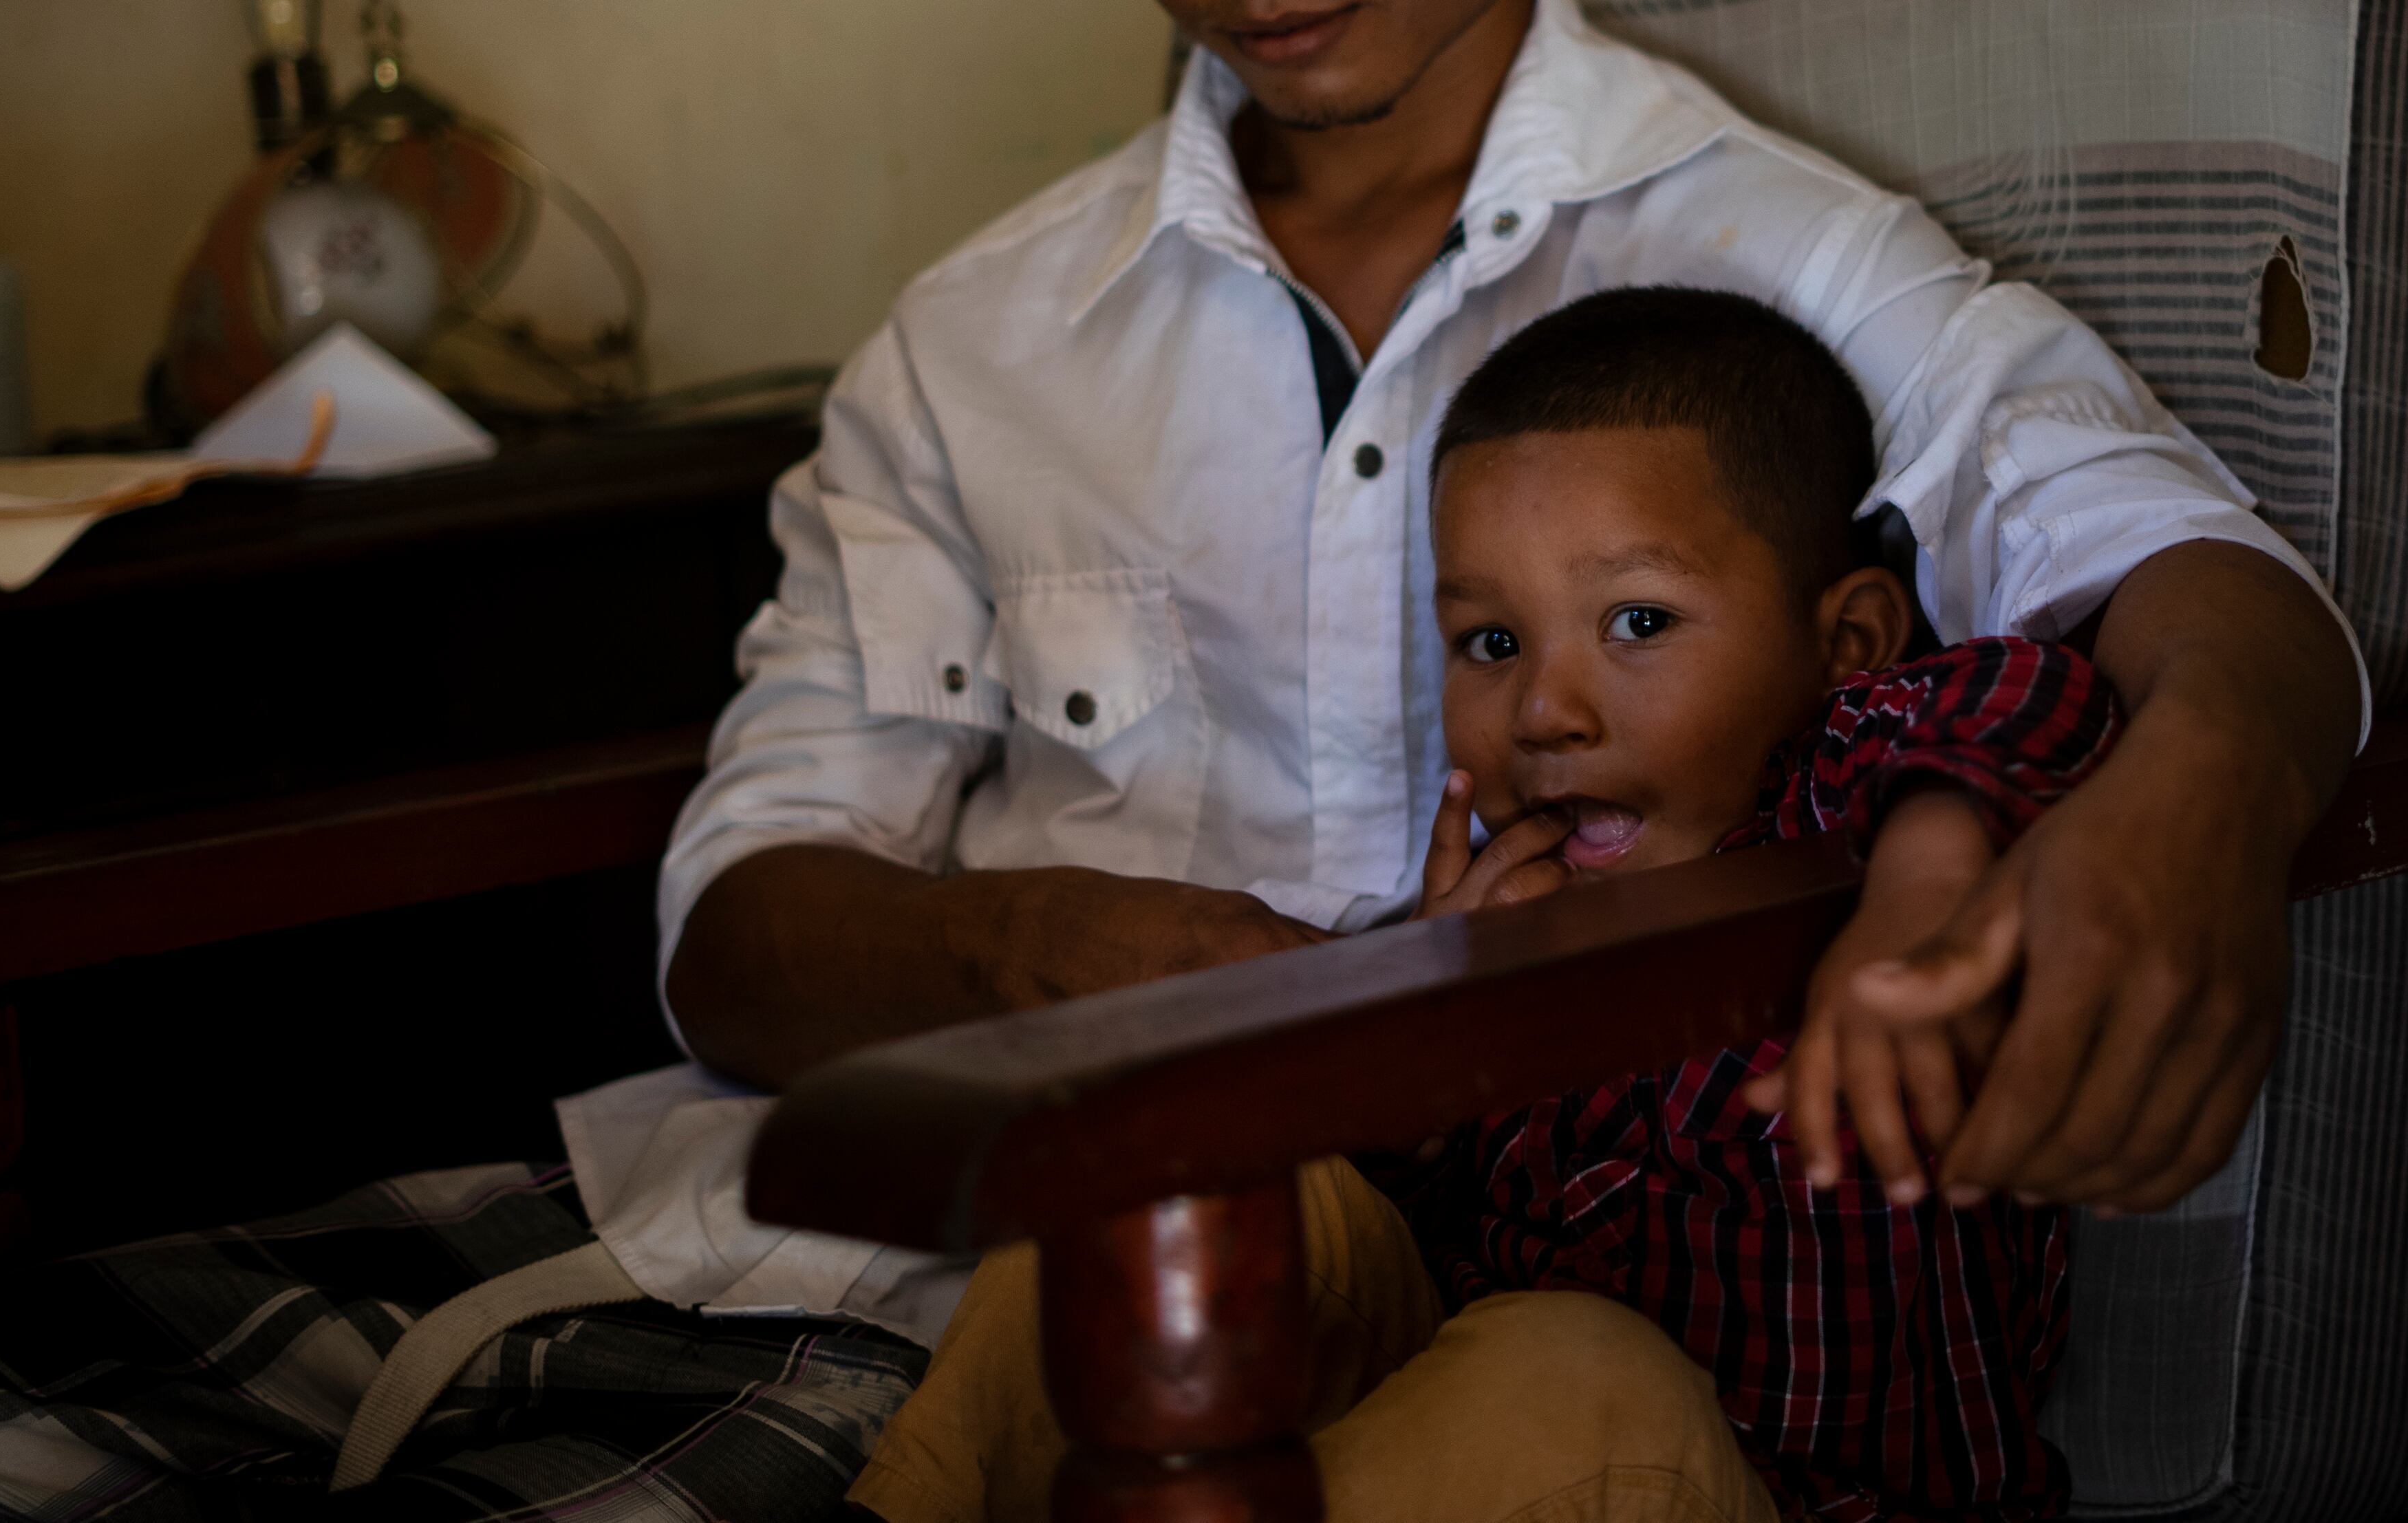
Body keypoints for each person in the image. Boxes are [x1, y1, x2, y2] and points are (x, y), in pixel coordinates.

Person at [0, 0, 2361, 1518]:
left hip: (1525, 1310)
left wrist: (2209, 787)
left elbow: (2154, 549)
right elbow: (741, 911)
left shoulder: (1765, 267)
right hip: (929, 1268)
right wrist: (1037, 949)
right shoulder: (973, 341)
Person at [851, 288, 2127, 1523]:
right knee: (1176, 1195)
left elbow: (2037, 698)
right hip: (1486, 1457)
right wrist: (1440, 1027)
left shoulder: (1845, 795)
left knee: (1574, 1363)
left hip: (1788, 1495)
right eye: (1493, 643)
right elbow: (1439, 1236)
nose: (1545, 712)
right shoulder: (1511, 889)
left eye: (1638, 620)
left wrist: (1927, 880)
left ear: (1849, 643)